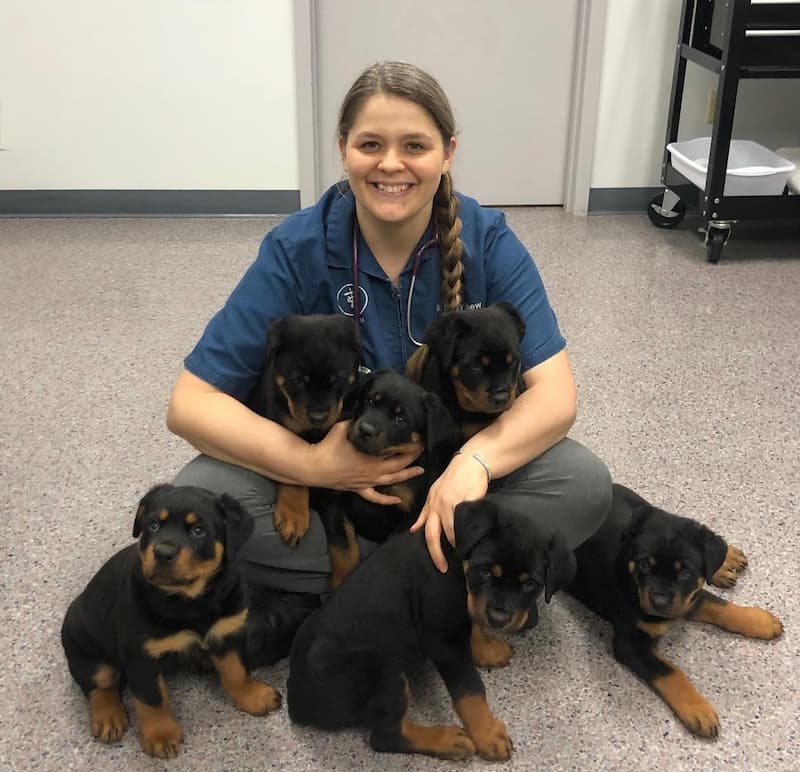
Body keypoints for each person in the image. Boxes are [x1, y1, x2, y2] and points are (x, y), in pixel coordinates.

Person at [166, 60, 612, 597]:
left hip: (450, 464)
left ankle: (379, 573)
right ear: (343, 148)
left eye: (415, 146)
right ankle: (434, 569)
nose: (391, 165)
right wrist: (315, 466)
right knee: (202, 489)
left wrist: (475, 462)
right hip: (327, 477)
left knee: (583, 486)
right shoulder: (297, 249)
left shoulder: (488, 240)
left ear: (448, 151)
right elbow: (190, 405)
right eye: (371, 144)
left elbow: (556, 396)